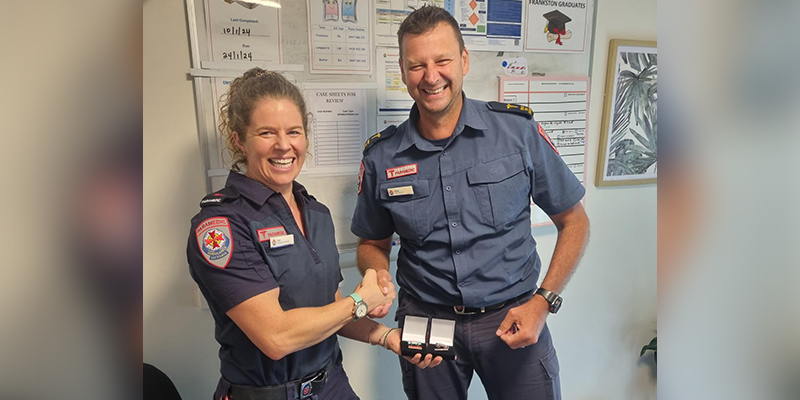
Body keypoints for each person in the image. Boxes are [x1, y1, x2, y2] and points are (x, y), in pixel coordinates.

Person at [351, 6, 590, 400]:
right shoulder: (383, 157)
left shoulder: (517, 133)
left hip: (513, 316)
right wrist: (376, 275)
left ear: (463, 60)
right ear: (402, 69)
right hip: (427, 320)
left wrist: (543, 302)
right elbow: (372, 243)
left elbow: (574, 220)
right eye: (417, 65)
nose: (431, 77)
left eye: (442, 60)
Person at [187, 68, 437, 400]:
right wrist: (360, 300)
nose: (283, 145)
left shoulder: (316, 213)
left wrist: (387, 336)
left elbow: (328, 309)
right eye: (266, 133)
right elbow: (276, 337)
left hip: (331, 384)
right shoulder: (222, 225)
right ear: (239, 140)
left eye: (294, 131)